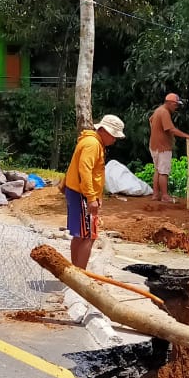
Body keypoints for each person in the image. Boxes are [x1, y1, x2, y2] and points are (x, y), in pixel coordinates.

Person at [63, 115, 125, 270]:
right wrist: (91, 198)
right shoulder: (92, 144)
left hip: (80, 192)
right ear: (103, 130)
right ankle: (81, 274)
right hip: (82, 194)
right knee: (88, 236)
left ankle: (75, 272)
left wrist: (97, 196)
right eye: (113, 135)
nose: (114, 140)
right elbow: (85, 171)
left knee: (81, 235)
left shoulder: (92, 142)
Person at [148, 92, 189, 203]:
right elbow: (171, 129)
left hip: (154, 145)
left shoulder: (158, 110)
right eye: (175, 104)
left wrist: (156, 132)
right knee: (163, 172)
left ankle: (155, 194)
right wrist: (187, 136)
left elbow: (150, 120)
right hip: (163, 147)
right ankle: (164, 196)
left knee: (158, 170)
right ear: (169, 103)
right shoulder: (164, 112)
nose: (176, 107)